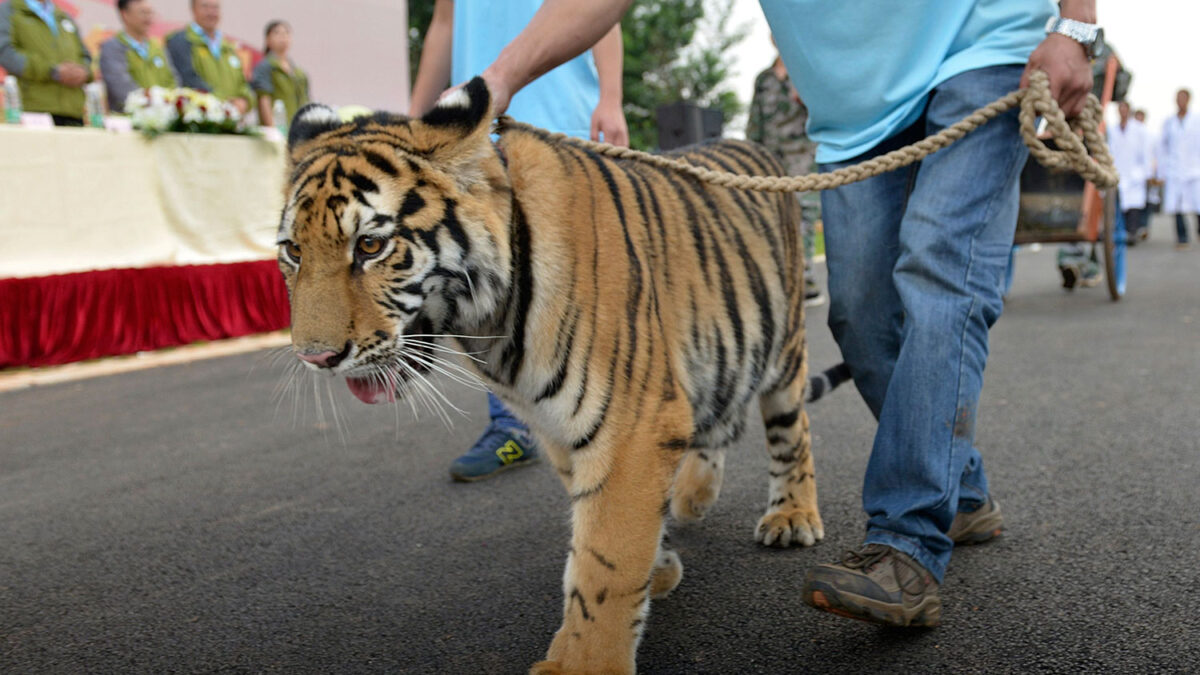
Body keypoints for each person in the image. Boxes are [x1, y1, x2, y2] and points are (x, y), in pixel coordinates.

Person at [462, 0, 1098, 626]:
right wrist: (500, 77)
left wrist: (1076, 25)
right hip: (855, 113)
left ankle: (906, 540)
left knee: (938, 271)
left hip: (985, 52)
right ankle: (960, 489)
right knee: (859, 317)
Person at [409, 0, 628, 482]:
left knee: (579, 286)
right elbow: (443, 24)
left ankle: (605, 412)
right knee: (486, 281)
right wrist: (414, 120)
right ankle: (513, 425)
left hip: (562, 117)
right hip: (476, 127)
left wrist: (609, 97)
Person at [746, 46, 825, 307]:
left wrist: (811, 99)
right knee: (772, 217)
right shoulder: (764, 79)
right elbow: (754, 123)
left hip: (803, 157)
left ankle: (804, 279)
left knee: (803, 214)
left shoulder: (806, 71)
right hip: (771, 160)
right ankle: (778, 280)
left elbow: (827, 110)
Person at [0, 0, 92, 126]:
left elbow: (85, 56)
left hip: (73, 111)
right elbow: (6, 53)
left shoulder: (62, 15)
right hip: (33, 110)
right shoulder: (8, 10)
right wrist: (52, 71)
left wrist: (83, 72)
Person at [165, 0, 250, 114]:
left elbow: (242, 81)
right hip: (199, 120)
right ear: (193, 9)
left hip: (232, 119)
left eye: (215, 8)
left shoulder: (228, 47)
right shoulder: (180, 41)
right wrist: (223, 102)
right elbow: (188, 79)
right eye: (205, 7)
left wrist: (244, 100)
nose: (211, 12)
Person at [99, 0, 177, 114]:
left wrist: (168, 104)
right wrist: (150, 105)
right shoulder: (112, 47)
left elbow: (172, 80)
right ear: (125, 14)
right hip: (127, 121)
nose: (148, 18)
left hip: (163, 119)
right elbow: (121, 88)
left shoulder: (157, 47)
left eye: (150, 13)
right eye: (142, 13)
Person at [1159, 88, 1200, 250]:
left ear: (1188, 100)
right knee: (1176, 206)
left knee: (1198, 203)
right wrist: (1161, 171)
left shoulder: (1197, 120)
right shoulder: (1169, 122)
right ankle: (1182, 238)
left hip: (1194, 169)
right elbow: (1162, 148)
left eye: (1182, 98)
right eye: (1177, 98)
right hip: (1175, 170)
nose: (1180, 101)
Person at [250, 20, 308, 128]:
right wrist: (272, 128)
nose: (283, 37)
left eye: (286, 33)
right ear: (267, 40)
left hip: (298, 129)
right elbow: (264, 99)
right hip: (277, 129)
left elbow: (306, 101)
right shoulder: (264, 67)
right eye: (277, 33)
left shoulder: (299, 73)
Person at [1108, 100, 1151, 243]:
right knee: (1118, 205)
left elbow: (1146, 152)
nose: (1122, 112)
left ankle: (1132, 233)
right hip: (1118, 171)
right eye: (1120, 109)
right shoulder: (1111, 129)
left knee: (1133, 206)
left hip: (1134, 173)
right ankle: (1121, 231)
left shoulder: (1140, 129)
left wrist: (1146, 173)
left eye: (1125, 109)